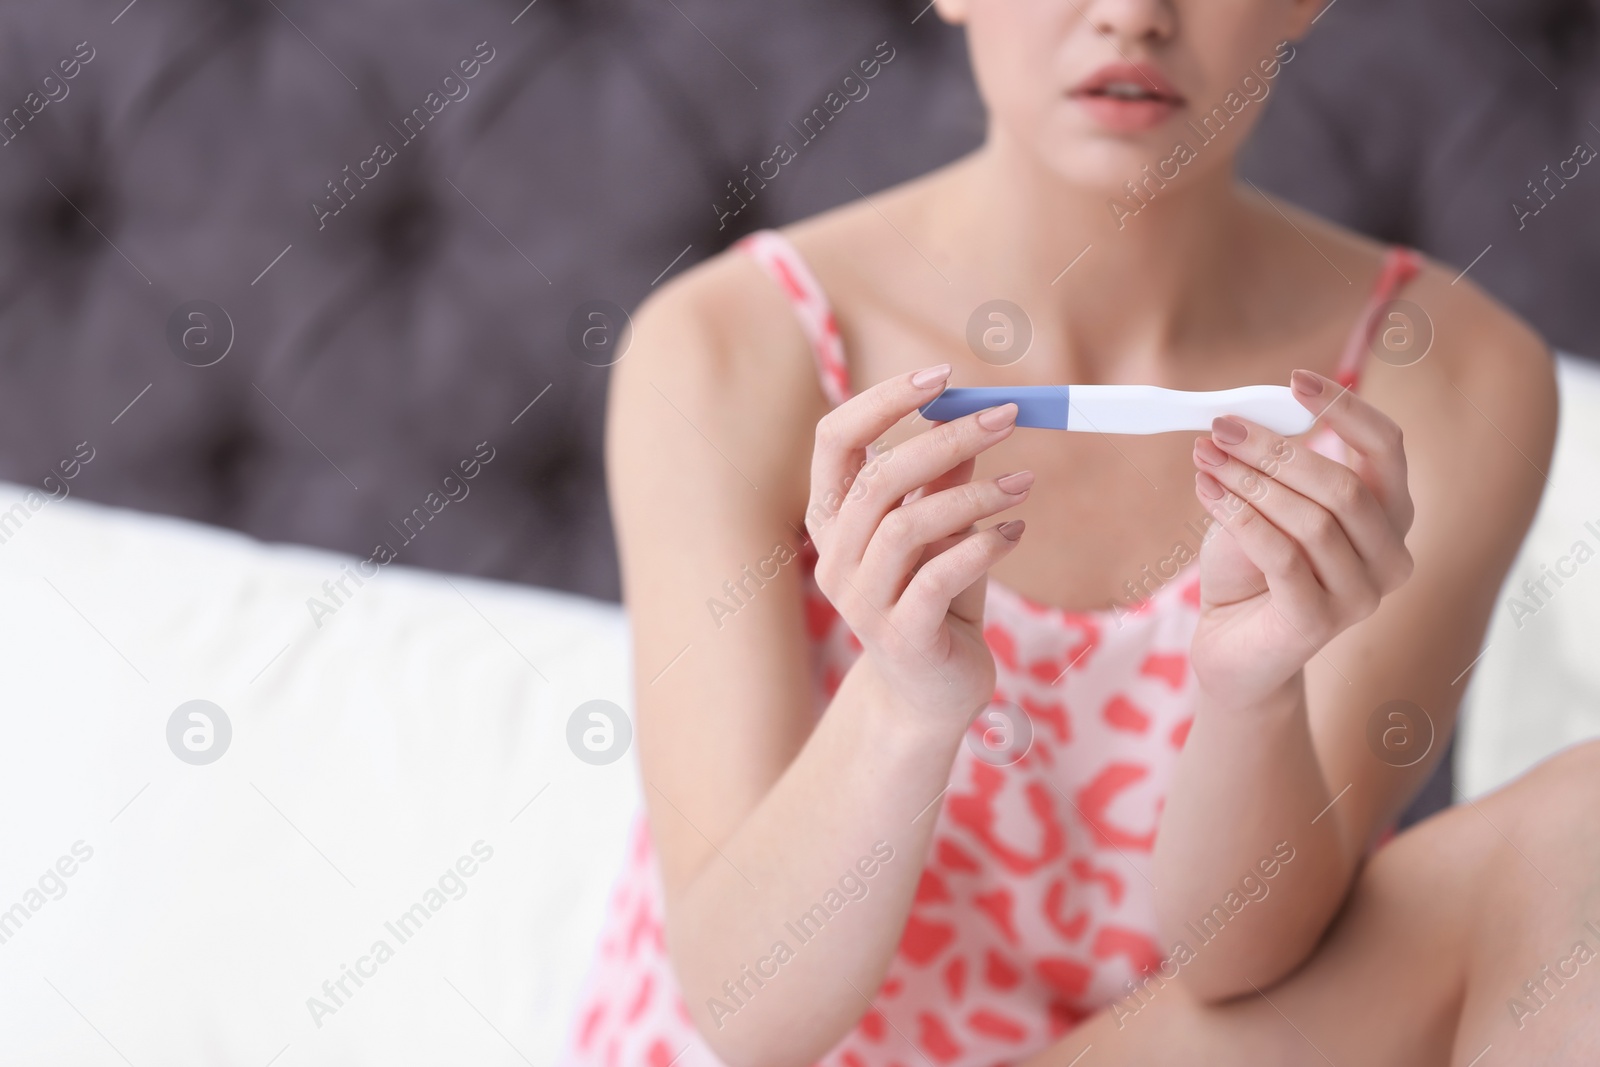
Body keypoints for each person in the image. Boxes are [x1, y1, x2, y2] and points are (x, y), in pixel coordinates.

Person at [561, 0, 1558, 1063]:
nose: (1131, 15)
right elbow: (746, 1013)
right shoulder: (729, 348)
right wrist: (902, 705)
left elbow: (1235, 960)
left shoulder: (1451, 378)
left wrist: (1251, 692)